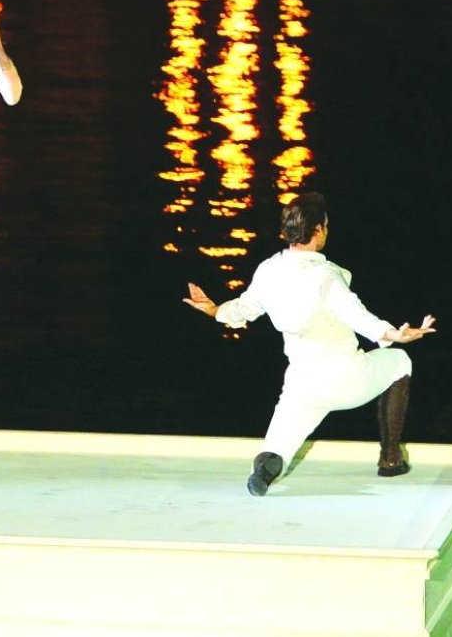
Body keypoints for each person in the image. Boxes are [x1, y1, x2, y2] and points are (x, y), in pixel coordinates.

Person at [183, 192, 436, 496]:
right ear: (317, 230)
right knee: (400, 361)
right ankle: (390, 459)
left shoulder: (268, 270)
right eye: (326, 225)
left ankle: (265, 470)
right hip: (347, 380)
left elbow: (243, 309)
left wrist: (213, 310)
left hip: (302, 386)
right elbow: (356, 315)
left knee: (274, 453)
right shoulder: (325, 275)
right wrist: (395, 335)